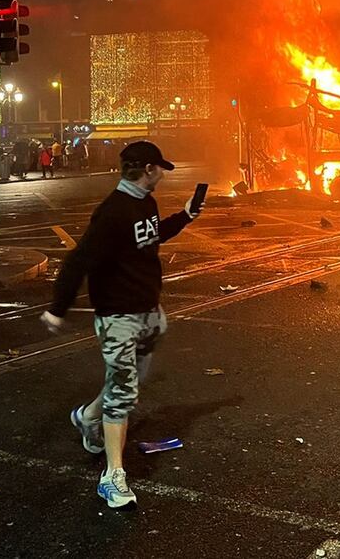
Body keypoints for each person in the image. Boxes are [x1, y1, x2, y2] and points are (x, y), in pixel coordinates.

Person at [40, 141, 204, 508]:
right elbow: (77, 261)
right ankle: (113, 477)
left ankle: (87, 416)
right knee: (124, 393)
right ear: (147, 169)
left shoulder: (145, 202)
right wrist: (58, 309)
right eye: (160, 167)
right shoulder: (112, 212)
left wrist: (186, 215)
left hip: (148, 313)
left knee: (124, 381)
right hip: (118, 317)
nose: (163, 173)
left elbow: (151, 235)